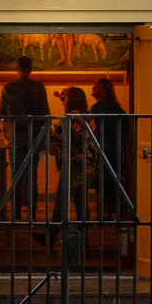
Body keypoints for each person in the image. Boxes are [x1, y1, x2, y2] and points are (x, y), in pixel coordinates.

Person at [0, 54, 51, 219]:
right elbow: (45, 114)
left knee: (16, 175)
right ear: (31, 69)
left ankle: (16, 213)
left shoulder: (9, 88)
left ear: (17, 68)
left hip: (15, 135)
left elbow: (2, 114)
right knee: (32, 175)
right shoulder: (38, 87)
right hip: (33, 134)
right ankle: (32, 214)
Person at [49, 86, 94, 230]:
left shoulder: (71, 118)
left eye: (66, 97)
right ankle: (83, 233)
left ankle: (53, 233)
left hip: (73, 164)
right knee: (81, 201)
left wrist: (48, 133)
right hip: (88, 163)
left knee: (61, 200)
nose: (64, 100)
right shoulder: (88, 117)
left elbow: (58, 138)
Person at [89, 77, 131, 219]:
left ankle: (102, 213)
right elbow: (125, 126)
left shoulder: (98, 108)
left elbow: (92, 128)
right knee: (111, 180)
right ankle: (109, 212)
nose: (93, 88)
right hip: (115, 147)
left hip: (102, 146)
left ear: (103, 90)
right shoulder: (116, 107)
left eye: (96, 86)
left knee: (100, 181)